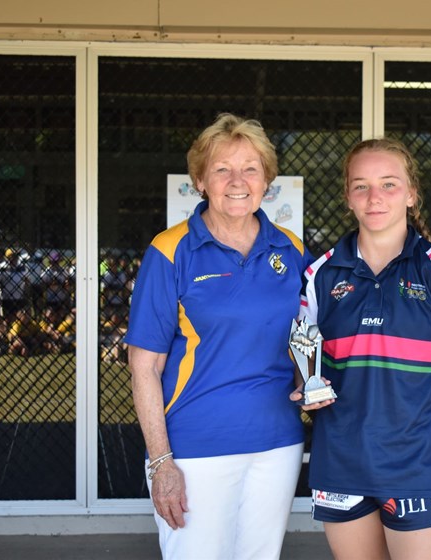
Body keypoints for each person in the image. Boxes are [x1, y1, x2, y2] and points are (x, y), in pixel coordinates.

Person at [291, 138, 431, 560]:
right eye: (361, 185)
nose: (375, 197)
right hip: (341, 461)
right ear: (348, 195)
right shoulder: (319, 274)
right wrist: (306, 389)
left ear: (411, 192)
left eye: (389, 184)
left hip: (414, 463)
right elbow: (305, 363)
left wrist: (415, 403)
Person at [124, 113, 312, 560]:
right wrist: (161, 462)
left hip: (277, 444)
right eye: (222, 169)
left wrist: (310, 378)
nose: (237, 181)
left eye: (250, 168)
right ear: (200, 180)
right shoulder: (170, 250)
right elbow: (144, 364)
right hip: (195, 447)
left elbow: (305, 338)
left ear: (267, 179)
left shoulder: (292, 249)